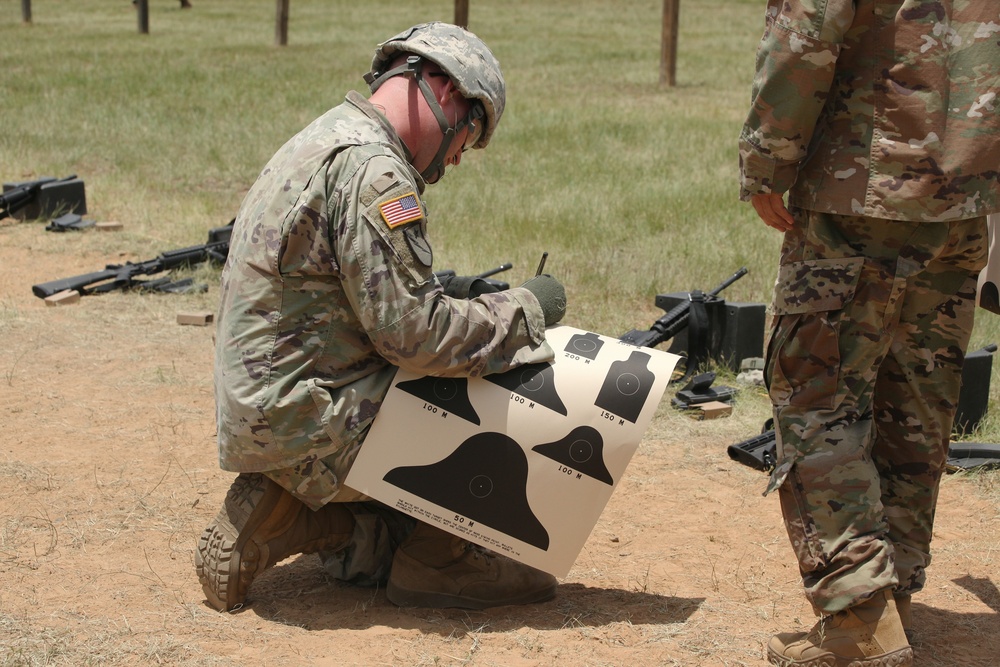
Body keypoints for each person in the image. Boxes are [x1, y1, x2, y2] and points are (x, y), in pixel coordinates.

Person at [195, 22, 568, 613]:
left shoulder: (321, 137)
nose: (454, 161)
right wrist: (525, 310)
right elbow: (416, 337)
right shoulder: (378, 171)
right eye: (467, 137)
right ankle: (443, 564)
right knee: (520, 380)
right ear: (446, 92)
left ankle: (299, 520)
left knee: (384, 546)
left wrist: (451, 292)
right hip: (312, 418)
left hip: (268, 409)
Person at [739, 2, 999, 665]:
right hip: (964, 194)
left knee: (817, 397)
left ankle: (859, 612)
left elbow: (807, 29)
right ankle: (893, 596)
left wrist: (767, 157)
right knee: (916, 396)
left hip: (857, 188)